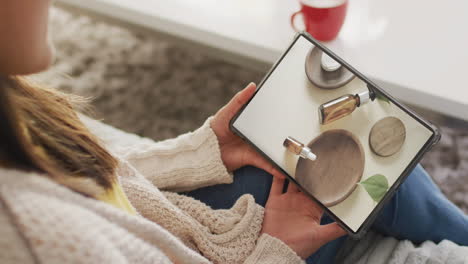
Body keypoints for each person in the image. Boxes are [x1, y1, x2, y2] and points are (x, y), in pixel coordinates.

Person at [0, 0, 467, 263]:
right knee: (373, 180)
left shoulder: (13, 109)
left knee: (367, 163)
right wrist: (277, 249)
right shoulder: (33, 235)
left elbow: (96, 182)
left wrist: (204, 150)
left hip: (184, 224)